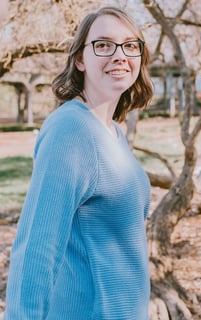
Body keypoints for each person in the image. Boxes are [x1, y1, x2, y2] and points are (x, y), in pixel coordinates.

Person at [4, 5, 153, 320]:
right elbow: (36, 247)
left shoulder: (112, 131)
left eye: (130, 45)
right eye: (103, 45)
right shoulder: (70, 129)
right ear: (80, 59)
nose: (119, 55)